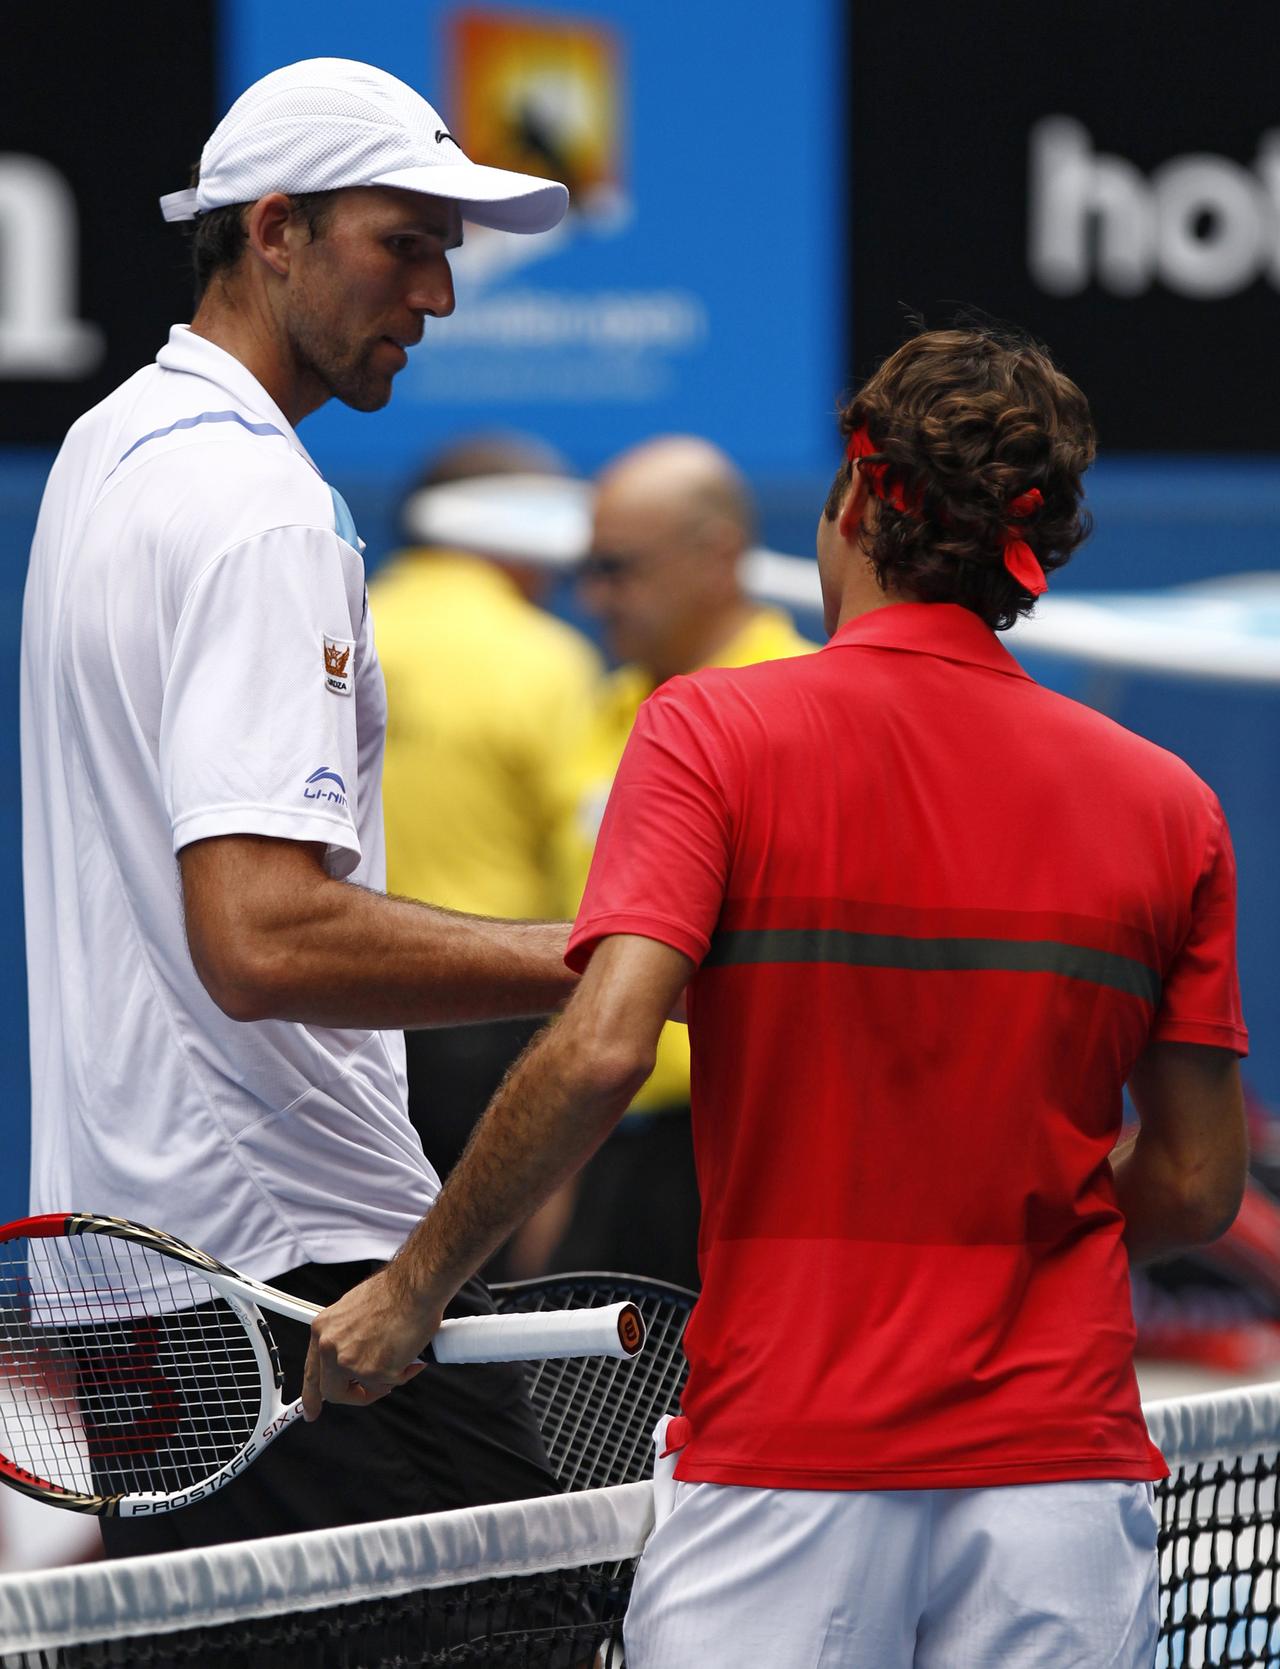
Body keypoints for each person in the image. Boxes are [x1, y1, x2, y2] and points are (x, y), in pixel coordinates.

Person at [303, 324, 1250, 1668]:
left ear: (858, 503)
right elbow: (1200, 1184)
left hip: (784, 1465)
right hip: (1057, 1475)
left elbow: (600, 1049)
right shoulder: (1173, 807)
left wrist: (412, 1286)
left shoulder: (707, 732)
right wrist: (1032, 1263)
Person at [20, 56, 576, 1556]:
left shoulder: (105, 450)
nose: (438, 297)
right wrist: (611, 954)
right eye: (406, 243)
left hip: (139, 1271)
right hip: (287, 1269)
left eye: (447, 254)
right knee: (549, 1604)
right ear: (275, 231)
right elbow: (260, 938)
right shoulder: (265, 509)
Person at [536, 435, 813, 1287]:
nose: (594, 595)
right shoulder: (601, 709)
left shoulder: (810, 704)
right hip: (613, 1148)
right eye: (588, 567)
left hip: (768, 1154)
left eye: (619, 567)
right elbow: (574, 965)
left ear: (717, 555)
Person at [369, 437, 600, 1193]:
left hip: (330, 1007)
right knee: (481, 1283)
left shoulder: (340, 629)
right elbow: (588, 861)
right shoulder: (545, 660)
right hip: (488, 1004)